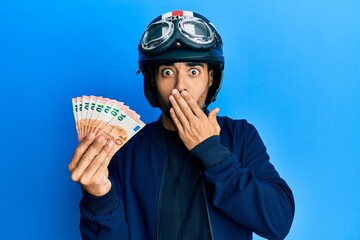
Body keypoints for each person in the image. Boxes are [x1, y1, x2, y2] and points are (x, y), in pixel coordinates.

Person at [69, 10, 295, 240]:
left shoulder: (240, 136)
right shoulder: (126, 149)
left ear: (211, 78)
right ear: (153, 83)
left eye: (194, 71)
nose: (180, 86)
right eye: (167, 72)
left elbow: (278, 223)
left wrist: (212, 152)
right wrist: (98, 197)